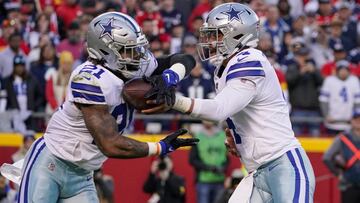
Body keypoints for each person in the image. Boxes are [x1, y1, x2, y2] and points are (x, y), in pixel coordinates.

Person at [14, 12, 198, 203]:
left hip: (82, 175)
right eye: (128, 50)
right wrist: (160, 147)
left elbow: (185, 59)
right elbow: (109, 144)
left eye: (137, 49)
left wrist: (170, 77)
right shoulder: (89, 78)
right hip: (51, 163)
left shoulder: (135, 64)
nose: (137, 56)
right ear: (104, 51)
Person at [143, 3, 315, 202]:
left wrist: (173, 101)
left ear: (238, 35)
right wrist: (238, 136)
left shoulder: (250, 59)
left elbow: (219, 110)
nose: (209, 41)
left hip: (283, 164)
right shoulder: (224, 68)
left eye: (216, 34)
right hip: (256, 172)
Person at [323, 109, 360, 203]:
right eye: (356, 118)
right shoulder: (342, 138)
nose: (358, 121)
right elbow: (327, 157)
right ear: (351, 120)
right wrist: (338, 174)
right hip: (349, 185)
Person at [189, 121, 228, 203]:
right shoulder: (198, 136)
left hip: (219, 180)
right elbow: (192, 159)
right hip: (204, 180)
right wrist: (208, 168)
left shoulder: (222, 135)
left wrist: (223, 167)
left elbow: (226, 157)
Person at [319, 60, 360, 135]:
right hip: (332, 121)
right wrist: (326, 115)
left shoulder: (354, 80)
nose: (343, 72)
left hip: (349, 122)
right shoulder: (329, 80)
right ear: (337, 71)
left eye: (345, 70)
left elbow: (357, 101)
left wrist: (355, 117)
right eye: (341, 69)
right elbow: (323, 100)